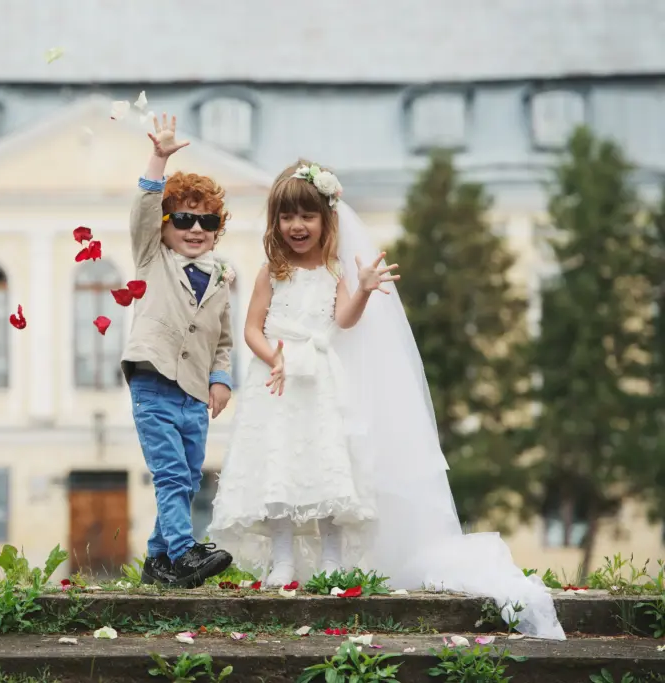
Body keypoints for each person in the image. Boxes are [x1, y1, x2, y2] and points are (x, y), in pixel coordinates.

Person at [209, 161, 565, 640]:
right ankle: (283, 558)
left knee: (328, 463)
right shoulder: (270, 273)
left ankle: (333, 557)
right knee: (278, 463)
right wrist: (274, 356)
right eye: (288, 217)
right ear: (276, 223)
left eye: (307, 216)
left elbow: (344, 321)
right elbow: (251, 326)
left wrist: (364, 291)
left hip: (322, 379)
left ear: (326, 219)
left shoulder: (334, 271)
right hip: (278, 378)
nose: (297, 226)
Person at [122, 113, 236, 588]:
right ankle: (184, 552)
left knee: (188, 480)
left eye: (206, 221)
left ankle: (157, 561)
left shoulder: (221, 279)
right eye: (183, 219)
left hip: (193, 395)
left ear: (216, 230)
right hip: (154, 385)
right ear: (166, 226)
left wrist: (221, 379)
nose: (194, 229)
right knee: (170, 476)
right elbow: (145, 209)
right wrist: (159, 159)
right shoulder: (153, 257)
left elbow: (223, 340)